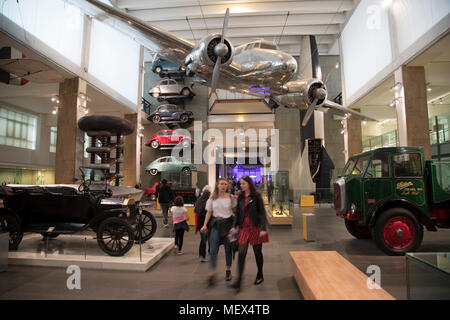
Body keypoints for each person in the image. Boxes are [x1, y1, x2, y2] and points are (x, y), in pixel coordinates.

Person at [230, 176, 269, 291]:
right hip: (243, 228)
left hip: (255, 228)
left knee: (257, 252)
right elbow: (238, 214)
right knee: (241, 253)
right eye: (240, 184)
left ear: (249, 184)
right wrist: (235, 227)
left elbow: (262, 213)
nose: (241, 186)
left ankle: (260, 274)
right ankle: (239, 280)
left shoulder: (256, 196)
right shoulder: (240, 197)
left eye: (243, 184)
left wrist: (263, 228)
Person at [200, 178, 237, 285]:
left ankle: (228, 270)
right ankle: (212, 272)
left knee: (228, 249)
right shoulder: (212, 197)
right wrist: (205, 225)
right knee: (212, 250)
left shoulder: (230, 198)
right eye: (221, 184)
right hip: (216, 225)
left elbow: (235, 211)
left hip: (229, 226)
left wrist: (236, 201)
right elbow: (209, 212)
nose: (223, 186)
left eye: (225, 184)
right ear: (217, 185)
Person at [194, 185, 211, 262]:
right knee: (209, 239)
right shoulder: (209, 200)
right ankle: (210, 254)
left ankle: (201, 255)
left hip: (200, 222)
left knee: (203, 240)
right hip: (207, 222)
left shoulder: (199, 199)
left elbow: (195, 210)